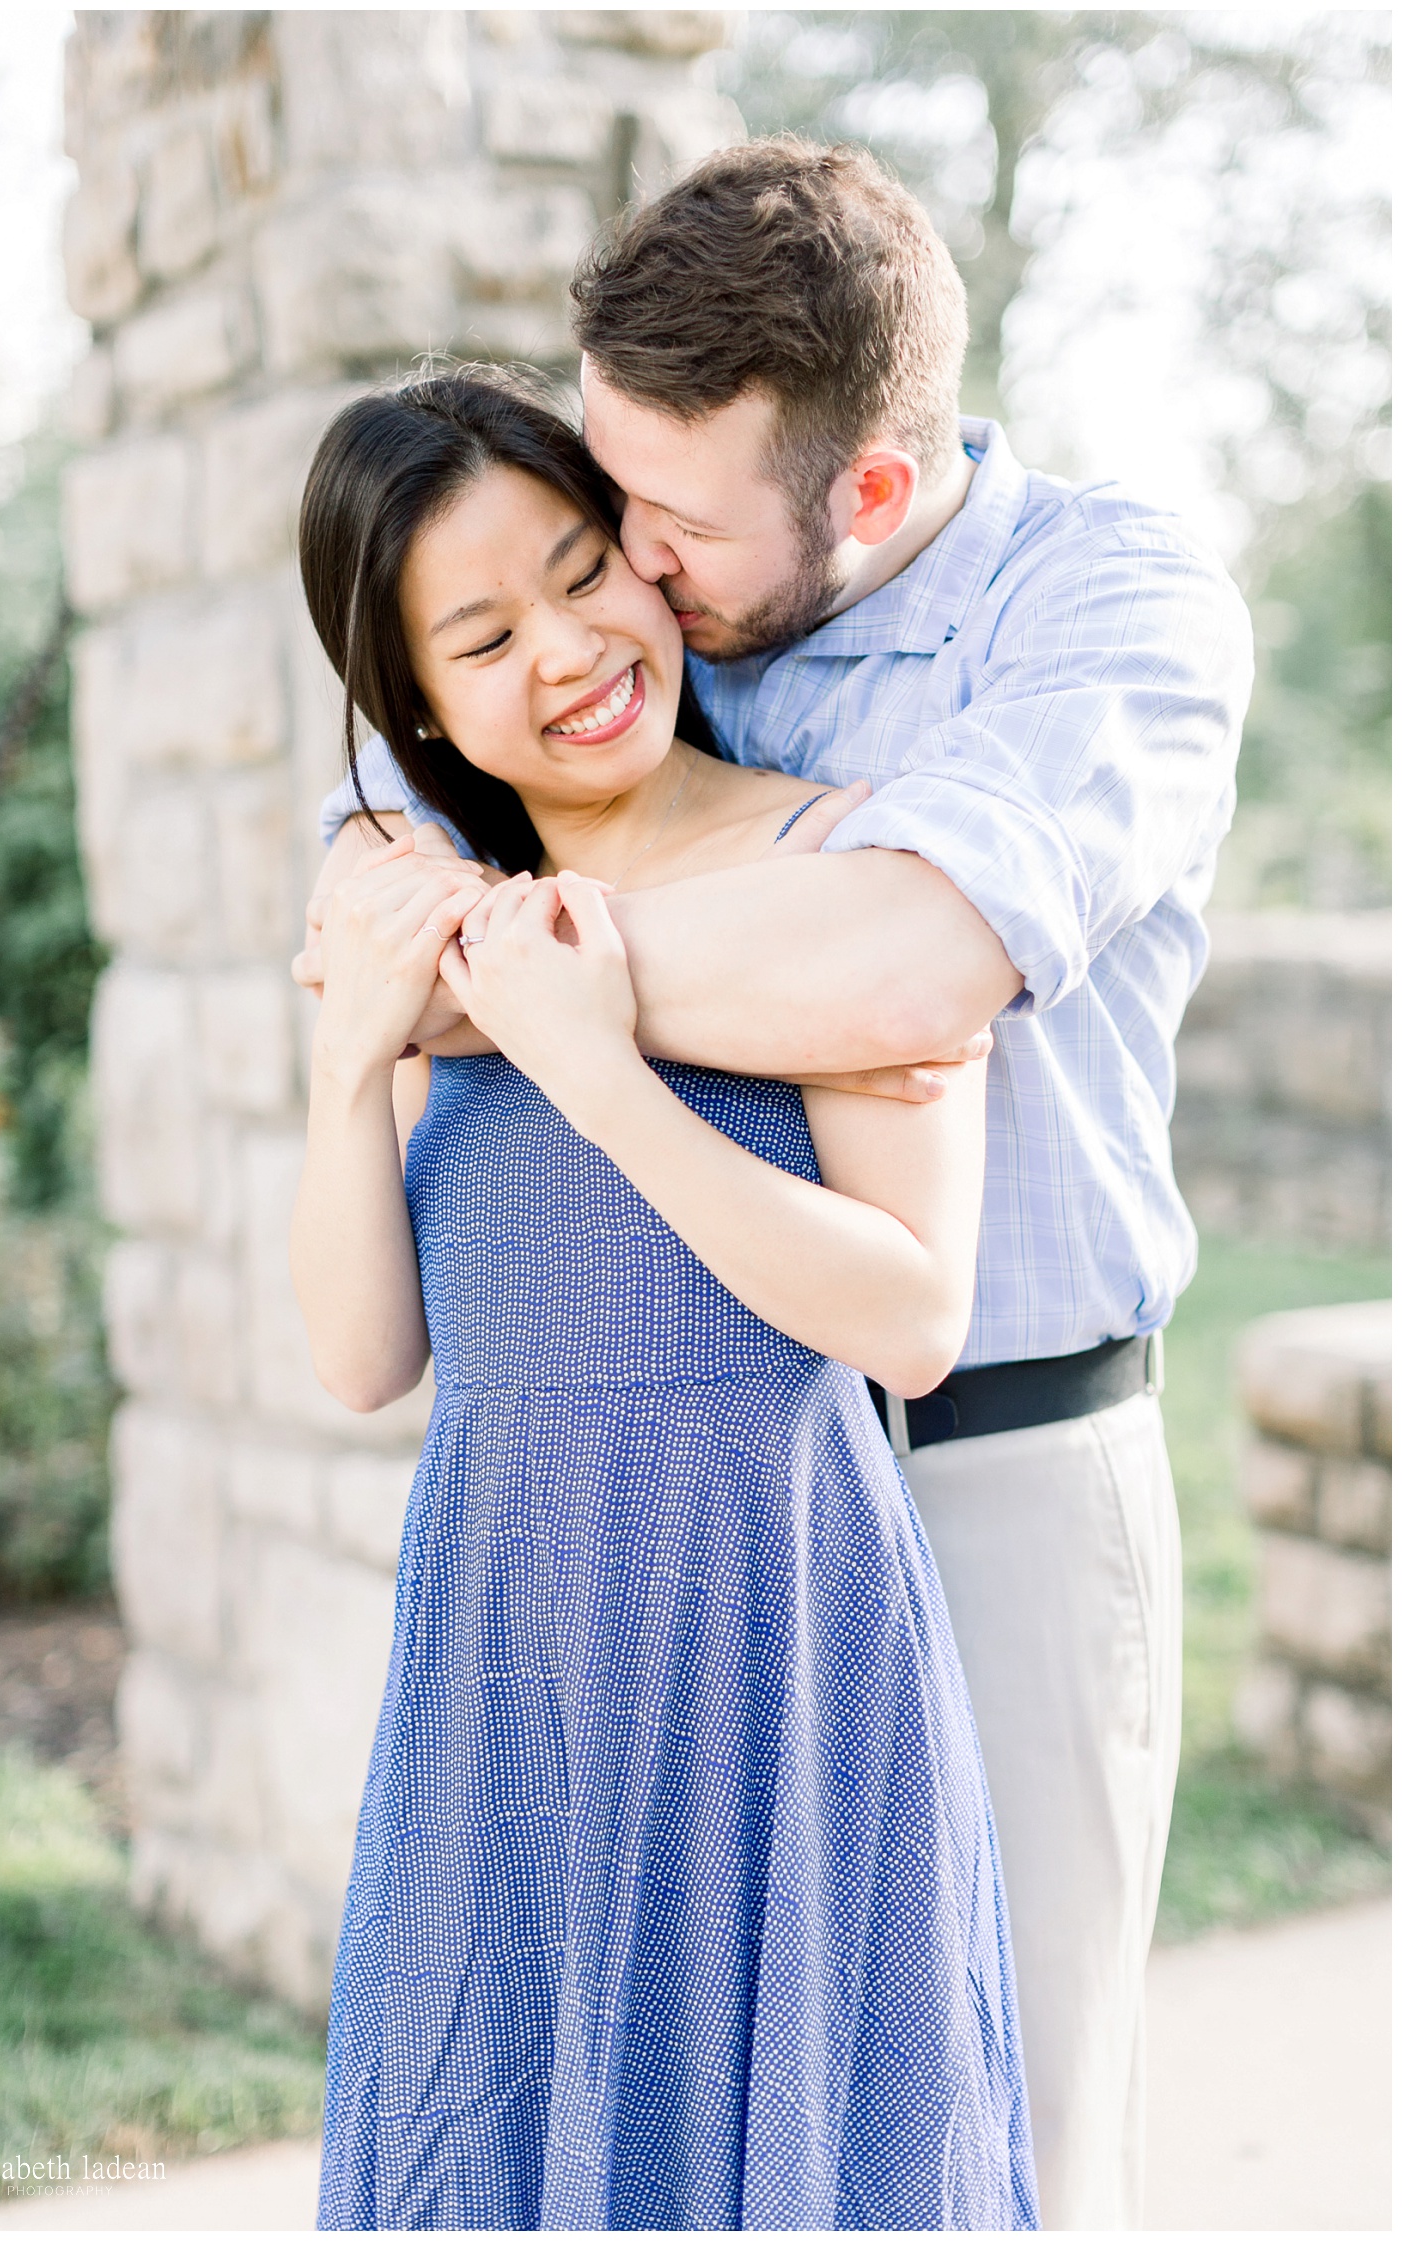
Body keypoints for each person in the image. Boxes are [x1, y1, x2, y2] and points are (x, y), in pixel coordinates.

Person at [302, 141, 1253, 2229]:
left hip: (991, 1455)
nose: (623, 566)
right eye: (602, 499)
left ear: (870, 499)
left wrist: (512, 976)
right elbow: (368, 858)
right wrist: (458, 960)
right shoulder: (638, 613)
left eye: (657, 524)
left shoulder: (1105, 605)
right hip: (652, 1515)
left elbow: (917, 962)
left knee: (984, 2124)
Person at [292, 369, 1038, 2232]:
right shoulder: (433, 926)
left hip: (768, 1630)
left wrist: (600, 1064)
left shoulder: (844, 870)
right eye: (483, 631)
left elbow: (912, 1314)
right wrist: (349, 1065)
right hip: (509, 1656)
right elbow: (366, 1354)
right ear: (419, 707)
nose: (568, 647)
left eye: (581, 571)